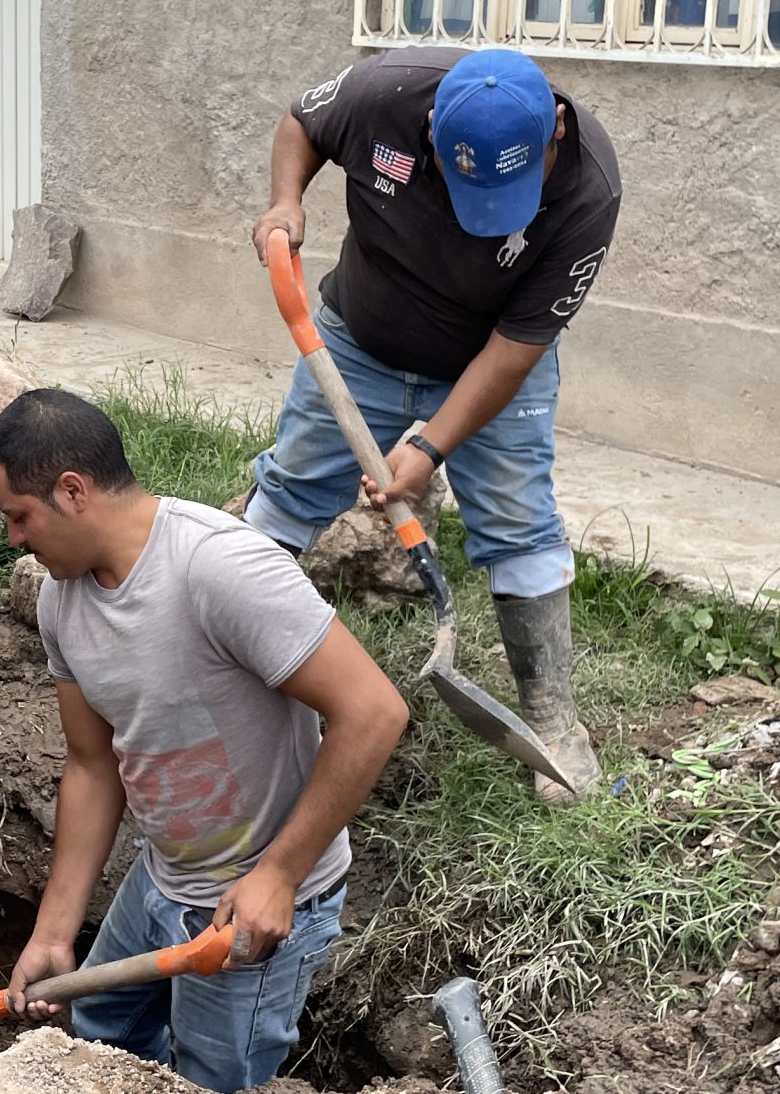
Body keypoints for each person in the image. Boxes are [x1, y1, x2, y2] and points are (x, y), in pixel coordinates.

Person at [0, 389, 408, 1092]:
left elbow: (373, 712)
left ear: (73, 491)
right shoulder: (62, 600)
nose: (14, 539)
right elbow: (91, 766)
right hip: (162, 880)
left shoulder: (219, 569)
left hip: (252, 904)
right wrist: (55, 934)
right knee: (103, 1037)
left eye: (19, 517)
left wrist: (278, 876)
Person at [244, 46, 621, 802]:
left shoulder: (589, 189)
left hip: (489, 358)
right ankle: (230, 665)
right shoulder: (382, 92)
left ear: (553, 130)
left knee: (520, 520)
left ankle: (552, 721)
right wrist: (286, 201)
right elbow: (301, 121)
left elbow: (516, 352)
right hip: (361, 338)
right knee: (286, 494)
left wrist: (429, 445)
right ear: (430, 132)